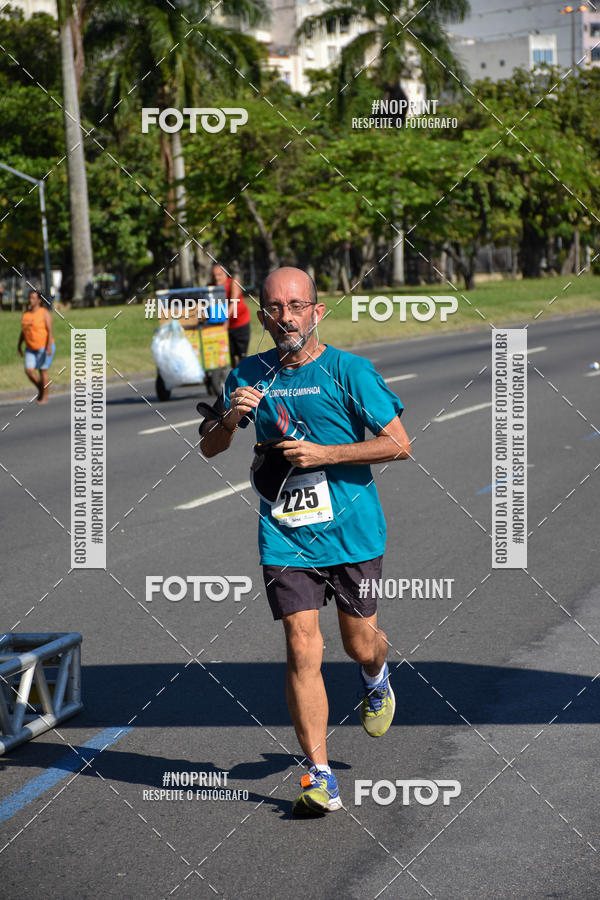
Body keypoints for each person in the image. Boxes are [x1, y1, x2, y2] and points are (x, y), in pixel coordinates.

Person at [199, 267, 411, 816]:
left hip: (352, 531)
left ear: (317, 312)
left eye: (296, 306)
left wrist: (327, 454)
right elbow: (210, 448)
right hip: (285, 533)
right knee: (300, 647)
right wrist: (230, 418)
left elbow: (399, 444)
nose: (285, 316)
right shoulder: (249, 372)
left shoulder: (349, 371)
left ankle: (376, 675)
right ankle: (319, 777)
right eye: (274, 307)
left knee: (359, 642)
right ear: (264, 315)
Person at [17, 289, 55, 404]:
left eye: (33, 298)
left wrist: (48, 346)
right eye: (30, 297)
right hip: (30, 348)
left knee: (42, 371)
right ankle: (41, 389)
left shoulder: (44, 313)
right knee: (29, 371)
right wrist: (19, 345)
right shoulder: (26, 314)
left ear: (39, 300)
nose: (31, 300)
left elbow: (49, 331)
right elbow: (23, 331)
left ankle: (45, 397)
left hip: (44, 346)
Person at [211, 264, 251, 367]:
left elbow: (233, 303)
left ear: (225, 274)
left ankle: (244, 377)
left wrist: (225, 320)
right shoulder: (215, 288)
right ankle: (235, 378)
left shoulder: (233, 282)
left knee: (242, 355)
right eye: (214, 275)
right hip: (228, 326)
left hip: (240, 323)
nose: (216, 278)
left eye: (219, 275)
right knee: (231, 355)